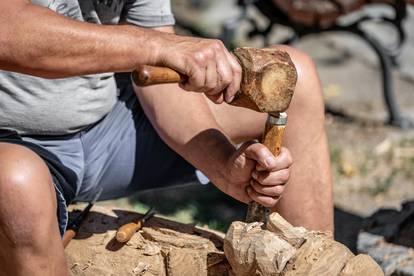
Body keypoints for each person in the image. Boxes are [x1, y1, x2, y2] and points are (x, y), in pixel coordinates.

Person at [0, 1, 333, 275]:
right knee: (15, 183)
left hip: (105, 126)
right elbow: (7, 29)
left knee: (296, 79)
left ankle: (312, 268)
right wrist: (157, 46)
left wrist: (223, 167)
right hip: (13, 142)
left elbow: (159, 84)